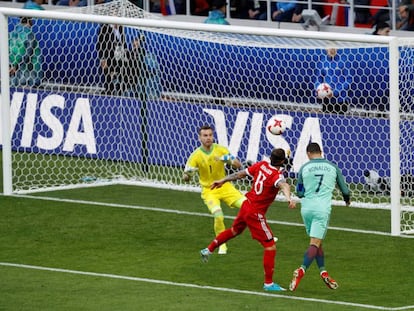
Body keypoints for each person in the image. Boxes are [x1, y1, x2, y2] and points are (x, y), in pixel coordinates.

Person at [200, 148, 296, 292]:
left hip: (246, 204)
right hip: (255, 213)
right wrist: (289, 198)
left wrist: (223, 179)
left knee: (234, 231)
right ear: (282, 161)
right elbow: (284, 185)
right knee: (270, 245)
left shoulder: (261, 165)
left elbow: (240, 174)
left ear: (270, 158)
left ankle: (208, 249)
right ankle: (268, 284)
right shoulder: (276, 175)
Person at [289, 142, 350, 292]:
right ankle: (301, 270)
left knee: (316, 242)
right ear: (321, 152)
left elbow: (299, 192)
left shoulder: (304, 168)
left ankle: (323, 272)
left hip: (306, 209)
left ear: (308, 153)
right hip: (322, 210)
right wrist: (347, 200)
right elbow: (345, 189)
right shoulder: (332, 167)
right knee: (315, 243)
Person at [183, 125, 246, 255]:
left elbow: (238, 164)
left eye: (210, 135)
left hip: (225, 186)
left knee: (249, 207)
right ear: (200, 137)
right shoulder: (195, 156)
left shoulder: (220, 149)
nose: (208, 138)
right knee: (218, 216)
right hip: (209, 190)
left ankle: (265, 236)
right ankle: (222, 245)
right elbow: (185, 178)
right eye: (205, 136)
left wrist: (226, 159)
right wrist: (188, 174)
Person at [316, 46, 352, 114]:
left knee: (340, 122)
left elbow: (349, 79)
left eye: (334, 47)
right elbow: (318, 78)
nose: (332, 49)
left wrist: (335, 92)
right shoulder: (323, 61)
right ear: (326, 48)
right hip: (326, 99)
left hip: (341, 100)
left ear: (337, 48)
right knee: (326, 121)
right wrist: (318, 90)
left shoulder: (343, 61)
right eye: (329, 47)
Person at [9, 17, 43, 88]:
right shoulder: (30, 34)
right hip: (28, 75)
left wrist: (10, 66)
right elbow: (27, 53)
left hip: (12, 73)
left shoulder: (11, 34)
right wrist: (16, 66)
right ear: (29, 22)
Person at [96, 24, 128, 96]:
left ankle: (120, 92)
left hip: (120, 57)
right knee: (108, 75)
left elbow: (123, 42)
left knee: (121, 75)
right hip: (109, 57)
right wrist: (103, 58)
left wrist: (125, 52)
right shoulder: (104, 28)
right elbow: (100, 44)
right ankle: (109, 92)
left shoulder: (121, 29)